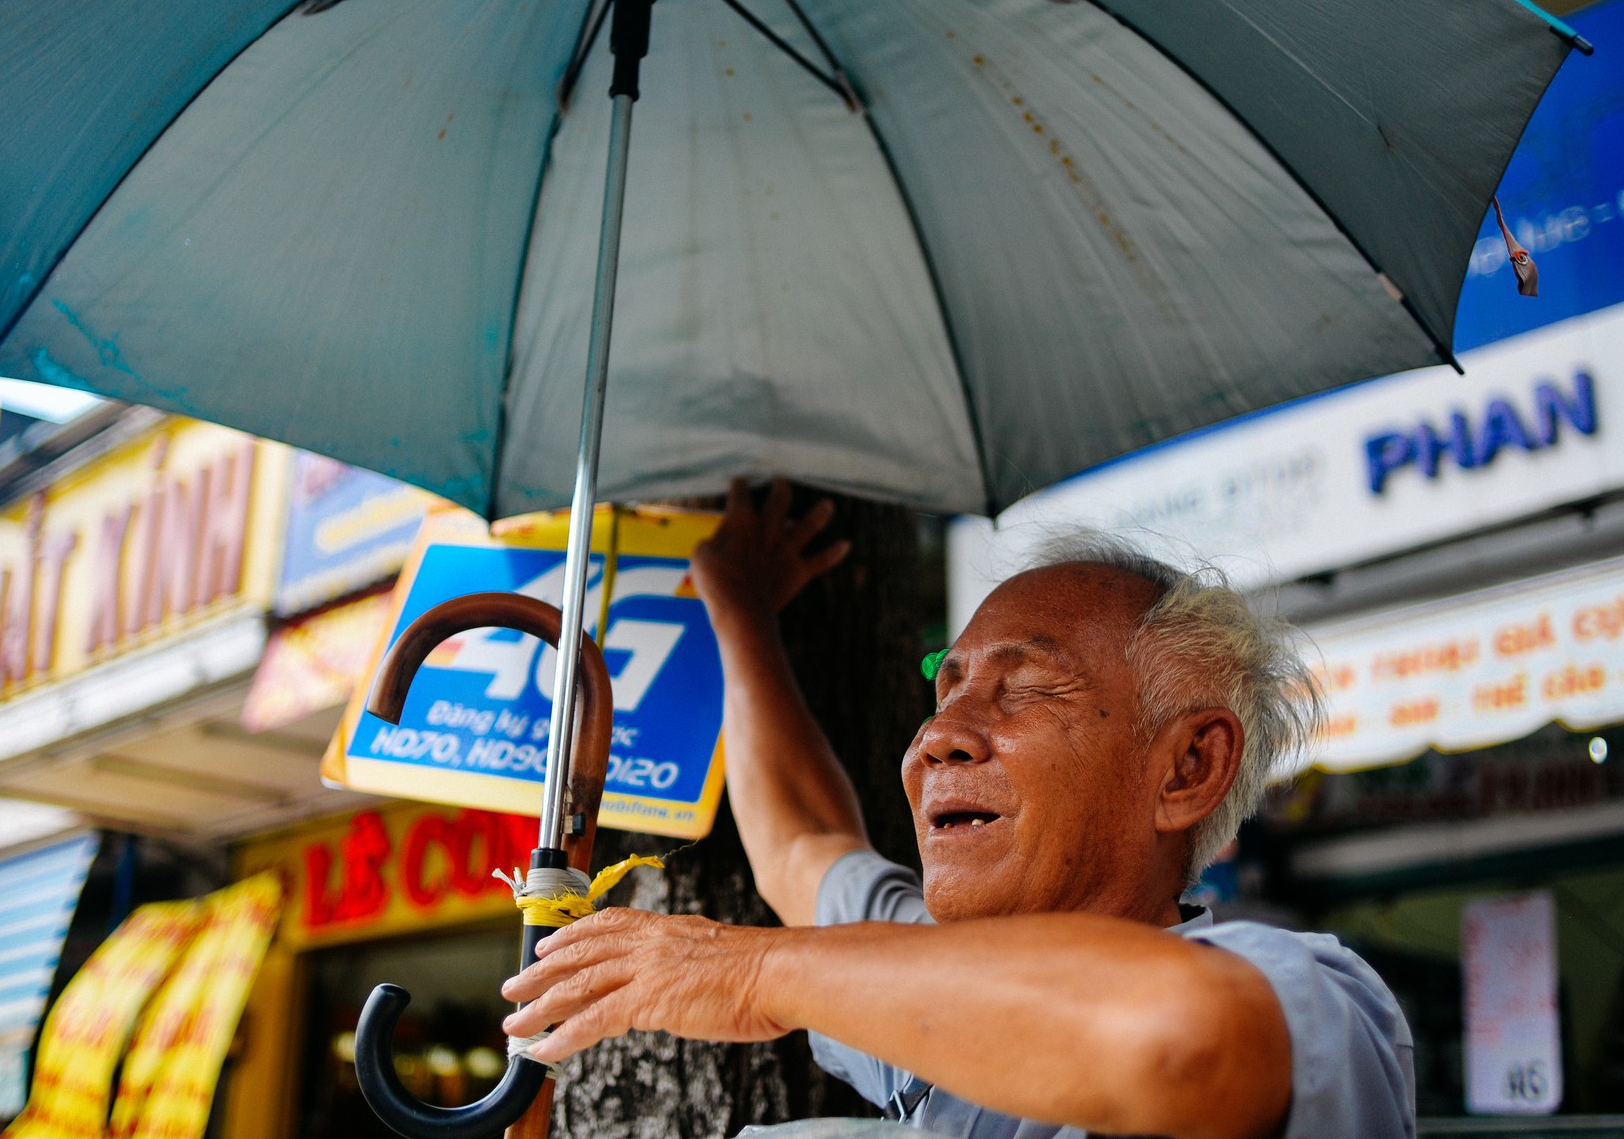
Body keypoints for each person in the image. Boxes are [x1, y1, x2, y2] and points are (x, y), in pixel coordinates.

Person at [502, 480, 1414, 1139]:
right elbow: (803, 846)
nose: (939, 738)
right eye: (944, 691)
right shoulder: (924, 971)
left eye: (1027, 689)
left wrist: (755, 974)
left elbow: (1179, 1035)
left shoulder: (1312, 999)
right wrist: (740, 612)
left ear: (1186, 769)